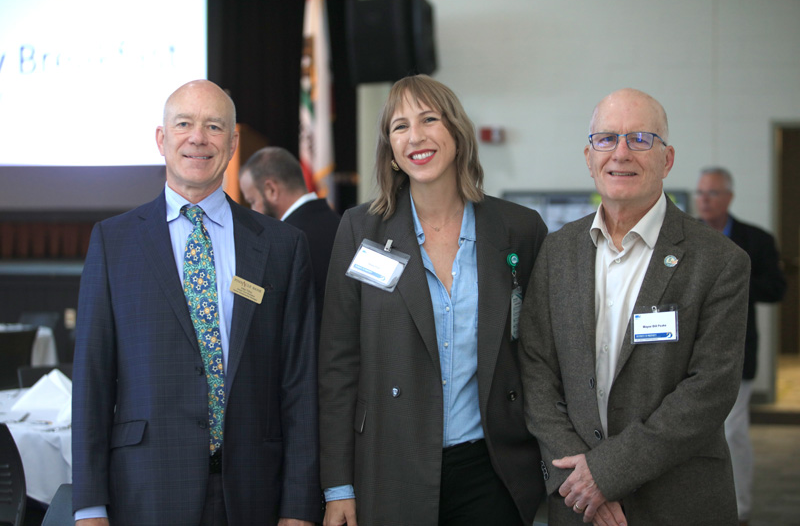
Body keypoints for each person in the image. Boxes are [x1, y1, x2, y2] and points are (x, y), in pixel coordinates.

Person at [71, 80, 322, 526]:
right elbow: (92, 381)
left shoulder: (283, 247)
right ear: (161, 140)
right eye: (184, 124)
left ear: (232, 143)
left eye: (214, 126)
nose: (198, 137)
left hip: (256, 492)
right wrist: (89, 507)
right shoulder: (114, 242)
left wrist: (300, 507)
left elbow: (300, 386)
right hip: (145, 490)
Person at [318, 74, 547, 526]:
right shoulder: (360, 230)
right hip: (390, 465)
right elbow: (338, 365)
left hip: (492, 470)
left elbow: (540, 355)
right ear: (391, 149)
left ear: (457, 133)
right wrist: (338, 485)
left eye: (428, 119)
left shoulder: (519, 229)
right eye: (400, 126)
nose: (415, 137)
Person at [519, 88, 751, 525]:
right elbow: (535, 370)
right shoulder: (557, 252)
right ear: (589, 157)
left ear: (667, 159)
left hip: (677, 502)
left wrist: (605, 475)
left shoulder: (719, 261)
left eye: (640, 139)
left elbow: (710, 390)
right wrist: (581, 477)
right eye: (606, 139)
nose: (621, 153)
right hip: (577, 502)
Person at [695, 166, 787, 525]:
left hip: (738, 350)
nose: (704, 199)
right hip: (688, 351)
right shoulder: (682, 235)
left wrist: (732, 284)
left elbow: (776, 289)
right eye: (701, 192)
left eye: (712, 193)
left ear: (729, 197)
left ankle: (740, 509)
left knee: (732, 431)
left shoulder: (756, 239)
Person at [239, 147, 341, 336]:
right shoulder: (343, 227)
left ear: (271, 190)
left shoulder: (281, 244)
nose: (253, 211)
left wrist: (232, 281)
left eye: (253, 201)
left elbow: (259, 300)